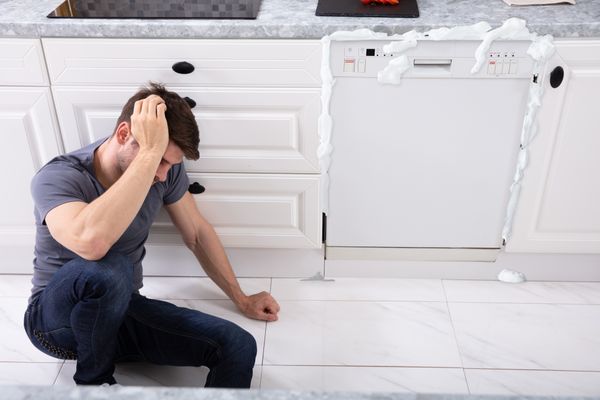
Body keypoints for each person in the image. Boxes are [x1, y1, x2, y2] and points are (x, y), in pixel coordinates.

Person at [23, 82, 280, 387]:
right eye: (159, 159)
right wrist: (149, 156)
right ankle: (96, 385)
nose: (162, 174)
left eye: (170, 164)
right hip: (54, 324)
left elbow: (196, 233)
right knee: (110, 267)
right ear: (123, 135)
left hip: (121, 312)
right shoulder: (59, 177)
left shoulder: (165, 171)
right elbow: (91, 244)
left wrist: (241, 298)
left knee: (238, 344)